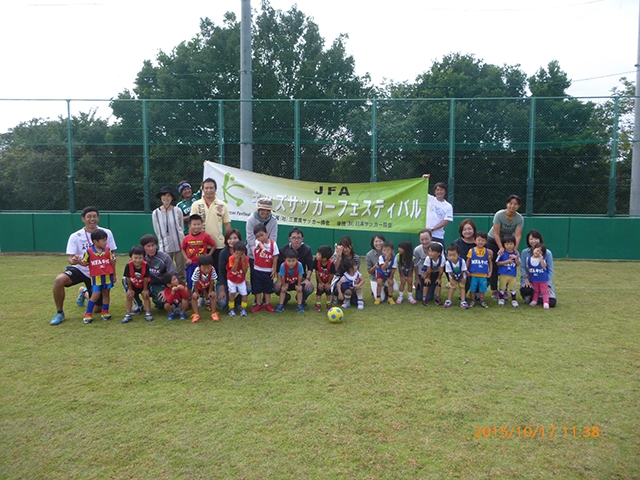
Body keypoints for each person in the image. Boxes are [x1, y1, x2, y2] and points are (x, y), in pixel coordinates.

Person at [50, 206, 117, 326]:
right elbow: (71, 258)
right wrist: (74, 260)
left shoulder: (106, 233)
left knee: (97, 309)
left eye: (94, 216)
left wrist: (113, 271)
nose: (92, 219)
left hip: (98, 273)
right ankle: (59, 313)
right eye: (89, 217)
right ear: (83, 219)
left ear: (98, 218)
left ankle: (84, 293)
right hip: (81, 269)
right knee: (59, 280)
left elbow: (111, 254)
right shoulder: (75, 236)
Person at [487, 195, 524, 298]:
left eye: (515, 204)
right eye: (510, 203)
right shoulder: (499, 215)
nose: (512, 206)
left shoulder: (519, 218)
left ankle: (505, 290)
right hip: (494, 241)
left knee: (508, 266)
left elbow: (517, 235)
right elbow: (496, 233)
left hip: (508, 242)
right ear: (507, 204)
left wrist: (514, 249)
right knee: (494, 265)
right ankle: (495, 290)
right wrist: (501, 247)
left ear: (519, 206)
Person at [191, 177, 232, 269]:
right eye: (206, 188)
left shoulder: (222, 205)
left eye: (211, 188)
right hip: (200, 245)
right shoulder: (196, 205)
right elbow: (192, 225)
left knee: (219, 270)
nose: (209, 190)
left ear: (215, 189)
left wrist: (228, 241)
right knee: (201, 272)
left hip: (218, 245)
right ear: (202, 189)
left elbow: (227, 224)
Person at [246, 197, 278, 301]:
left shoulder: (273, 221)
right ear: (258, 209)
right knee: (255, 276)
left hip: (268, 254)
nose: (265, 212)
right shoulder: (251, 219)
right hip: (253, 253)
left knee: (268, 276)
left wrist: (267, 252)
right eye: (262, 209)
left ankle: (266, 298)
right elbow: (250, 239)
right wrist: (258, 255)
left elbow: (273, 238)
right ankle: (257, 299)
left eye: (267, 210)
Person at [81, 229, 116, 324]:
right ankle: (88, 313)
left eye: (106, 240)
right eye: (103, 240)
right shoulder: (88, 252)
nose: (105, 242)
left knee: (106, 293)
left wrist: (114, 275)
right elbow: (84, 263)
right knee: (95, 295)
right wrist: (77, 261)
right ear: (95, 241)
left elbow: (112, 263)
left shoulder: (108, 250)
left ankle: (105, 311)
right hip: (96, 277)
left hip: (107, 276)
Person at [152, 186, 185, 283]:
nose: (166, 198)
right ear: (161, 198)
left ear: (172, 198)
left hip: (179, 244)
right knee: (166, 271)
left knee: (181, 270)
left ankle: (182, 291)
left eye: (168, 196)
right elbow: (157, 229)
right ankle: (168, 292)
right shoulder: (155, 213)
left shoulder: (177, 210)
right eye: (164, 196)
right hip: (165, 245)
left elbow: (181, 227)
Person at [275, 228, 315, 303]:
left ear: (302, 239)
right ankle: (285, 298)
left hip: (300, 278)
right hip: (286, 278)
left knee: (309, 288)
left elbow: (310, 266)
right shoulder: (283, 249)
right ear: (289, 239)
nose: (296, 240)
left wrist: (307, 279)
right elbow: (278, 267)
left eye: (299, 238)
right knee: (275, 287)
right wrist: (279, 280)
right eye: (294, 238)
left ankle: (301, 299)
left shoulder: (307, 249)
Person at [140, 234, 179, 310]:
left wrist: (167, 290)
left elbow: (174, 275)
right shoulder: (140, 257)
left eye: (153, 245)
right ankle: (138, 305)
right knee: (125, 280)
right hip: (143, 282)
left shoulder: (164, 257)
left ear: (157, 245)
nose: (151, 248)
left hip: (159, 284)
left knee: (162, 301)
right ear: (143, 247)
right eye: (148, 246)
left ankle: (158, 302)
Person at [520, 229, 557, 307]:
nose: (534, 241)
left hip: (543, 281)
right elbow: (523, 268)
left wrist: (548, 285)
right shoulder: (524, 252)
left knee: (552, 302)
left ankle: (539, 297)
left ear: (540, 240)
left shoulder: (548, 253)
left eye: (536, 239)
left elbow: (550, 270)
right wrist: (526, 280)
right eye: (531, 239)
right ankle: (530, 296)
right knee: (526, 289)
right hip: (532, 280)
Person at [181, 214, 215, 293]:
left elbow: (213, 245)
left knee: (203, 281)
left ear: (202, 224)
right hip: (191, 264)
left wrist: (208, 257)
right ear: (190, 225)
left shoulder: (205, 236)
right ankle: (189, 299)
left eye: (198, 224)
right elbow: (182, 249)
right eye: (194, 224)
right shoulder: (187, 238)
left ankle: (205, 299)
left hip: (202, 265)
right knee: (190, 281)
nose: (196, 226)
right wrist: (186, 259)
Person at [250, 224, 278, 313]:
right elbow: (260, 245)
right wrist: (263, 249)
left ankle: (267, 304)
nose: (260, 238)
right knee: (257, 288)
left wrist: (274, 270)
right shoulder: (257, 243)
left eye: (262, 235)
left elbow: (275, 257)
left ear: (267, 233)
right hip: (257, 270)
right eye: (257, 236)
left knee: (268, 288)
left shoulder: (273, 244)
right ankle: (258, 304)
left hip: (268, 271)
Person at [121, 246, 153, 324]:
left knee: (146, 296)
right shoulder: (128, 265)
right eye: (135, 258)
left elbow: (146, 278)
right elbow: (128, 277)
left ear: (143, 257)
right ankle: (128, 314)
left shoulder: (146, 265)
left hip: (143, 284)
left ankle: (148, 313)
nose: (138, 260)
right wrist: (130, 289)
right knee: (129, 296)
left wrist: (145, 289)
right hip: (133, 284)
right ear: (131, 257)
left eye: (140, 258)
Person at [216, 228, 245, 310]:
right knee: (223, 303)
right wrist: (222, 290)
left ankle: (237, 302)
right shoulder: (223, 253)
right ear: (226, 240)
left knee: (249, 288)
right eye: (229, 239)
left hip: (238, 279)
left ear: (239, 239)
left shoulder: (243, 251)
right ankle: (224, 299)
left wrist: (243, 280)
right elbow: (221, 272)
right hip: (225, 281)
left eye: (235, 238)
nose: (232, 241)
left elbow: (244, 269)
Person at [330, 236, 361, 306]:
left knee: (355, 302)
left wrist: (357, 281)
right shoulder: (337, 255)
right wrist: (339, 256)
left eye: (347, 247)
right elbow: (334, 269)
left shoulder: (356, 258)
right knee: (342, 286)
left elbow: (357, 272)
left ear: (351, 246)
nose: (345, 250)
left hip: (351, 279)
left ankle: (347, 296)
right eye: (343, 247)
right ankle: (338, 294)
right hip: (340, 279)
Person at [413, 228, 441, 302]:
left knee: (429, 298)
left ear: (431, 238)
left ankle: (434, 286)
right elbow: (415, 264)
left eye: (426, 239)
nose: (424, 242)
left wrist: (428, 272)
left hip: (434, 272)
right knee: (419, 297)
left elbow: (441, 263)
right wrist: (417, 279)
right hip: (422, 273)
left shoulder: (438, 246)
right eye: (422, 239)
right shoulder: (417, 250)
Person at [365, 233, 395, 301]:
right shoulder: (369, 255)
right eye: (376, 241)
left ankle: (386, 290)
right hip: (376, 278)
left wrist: (390, 277)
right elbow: (369, 271)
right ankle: (374, 290)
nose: (378, 243)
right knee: (381, 299)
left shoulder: (390, 253)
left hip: (387, 276)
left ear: (384, 242)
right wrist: (375, 266)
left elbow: (393, 267)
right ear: (373, 243)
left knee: (395, 287)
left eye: (380, 241)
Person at [466, 231, 492, 308]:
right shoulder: (472, 250)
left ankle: (482, 301)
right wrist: (466, 270)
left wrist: (490, 271)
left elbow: (490, 262)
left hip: (483, 275)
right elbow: (468, 260)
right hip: (473, 274)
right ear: (475, 240)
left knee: (482, 289)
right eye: (479, 240)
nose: (481, 242)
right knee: (473, 288)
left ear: (486, 241)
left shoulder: (487, 251)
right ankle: (472, 300)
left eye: (483, 240)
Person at [190, 254, 219, 322]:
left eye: (208, 267)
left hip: (208, 285)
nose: (206, 270)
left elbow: (212, 281)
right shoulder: (197, 270)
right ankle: (196, 314)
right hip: (198, 285)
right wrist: (196, 292)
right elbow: (195, 282)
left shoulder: (212, 270)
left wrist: (210, 291)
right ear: (200, 266)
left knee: (213, 295)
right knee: (194, 297)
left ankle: (214, 313)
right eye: (204, 268)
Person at [276, 248, 305, 313]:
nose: (291, 263)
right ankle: (281, 304)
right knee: (282, 290)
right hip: (286, 282)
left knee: (300, 290)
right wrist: (283, 285)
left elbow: (300, 275)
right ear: (285, 260)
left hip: (296, 281)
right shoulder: (283, 265)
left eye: (293, 261)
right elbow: (282, 276)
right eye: (289, 261)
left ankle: (300, 305)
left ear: (297, 260)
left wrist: (299, 285)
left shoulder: (299, 265)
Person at [453, 219, 477, 298]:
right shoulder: (457, 243)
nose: (467, 231)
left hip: (476, 270)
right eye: (464, 229)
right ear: (461, 231)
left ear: (474, 229)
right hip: (462, 270)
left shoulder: (479, 242)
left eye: (469, 229)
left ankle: (476, 292)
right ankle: (463, 292)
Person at [495, 234, 521, 308]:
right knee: (502, 287)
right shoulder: (502, 253)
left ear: (514, 244)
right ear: (504, 245)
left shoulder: (516, 253)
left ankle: (514, 300)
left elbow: (518, 264)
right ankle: (501, 299)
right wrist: (506, 261)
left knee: (513, 287)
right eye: (507, 244)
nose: (509, 246)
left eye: (511, 244)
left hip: (512, 274)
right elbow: (497, 263)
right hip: (503, 274)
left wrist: (516, 258)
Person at [226, 241, 250, 317]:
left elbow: (245, 270)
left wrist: (243, 262)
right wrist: (236, 260)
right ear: (233, 251)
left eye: (242, 253)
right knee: (232, 293)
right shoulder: (231, 258)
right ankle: (231, 308)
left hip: (241, 279)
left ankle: (243, 308)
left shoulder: (246, 259)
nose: (240, 255)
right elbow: (233, 269)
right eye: (238, 253)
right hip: (232, 279)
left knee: (244, 294)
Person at [426, 181, 454, 245]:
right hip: (426, 235)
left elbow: (445, 222)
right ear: (435, 192)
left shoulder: (448, 206)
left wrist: (432, 229)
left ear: (445, 192)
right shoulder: (430, 199)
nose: (439, 192)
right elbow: (421, 190)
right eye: (437, 190)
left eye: (441, 190)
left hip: (438, 236)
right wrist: (424, 179)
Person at [525, 243, 550, 309]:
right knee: (536, 290)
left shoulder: (542, 260)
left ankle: (546, 302)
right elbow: (528, 268)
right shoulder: (528, 259)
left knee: (544, 291)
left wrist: (541, 260)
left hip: (542, 279)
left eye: (540, 252)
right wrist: (528, 274)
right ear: (533, 249)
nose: (538, 252)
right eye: (537, 250)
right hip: (534, 279)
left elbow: (544, 266)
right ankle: (534, 300)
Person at [444, 243, 469, 309]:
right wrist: (453, 280)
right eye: (449, 255)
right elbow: (451, 272)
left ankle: (463, 301)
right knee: (452, 287)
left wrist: (462, 278)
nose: (451, 257)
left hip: (462, 275)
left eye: (454, 255)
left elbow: (463, 270)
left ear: (458, 255)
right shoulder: (447, 263)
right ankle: (449, 300)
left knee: (462, 287)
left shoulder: (462, 261)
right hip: (452, 277)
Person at [421, 242, 445, 307]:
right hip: (428, 272)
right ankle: (424, 298)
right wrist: (428, 278)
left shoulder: (442, 258)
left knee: (438, 283)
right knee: (426, 283)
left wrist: (439, 278)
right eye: (429, 251)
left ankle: (438, 298)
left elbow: (441, 270)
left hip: (436, 272)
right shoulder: (428, 259)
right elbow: (428, 270)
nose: (430, 253)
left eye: (432, 252)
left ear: (438, 253)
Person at [314, 245, 335, 312]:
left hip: (327, 280)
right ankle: (318, 304)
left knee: (328, 291)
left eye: (319, 254)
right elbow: (317, 271)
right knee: (319, 291)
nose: (317, 255)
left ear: (324, 258)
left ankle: (328, 303)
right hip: (320, 279)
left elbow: (332, 274)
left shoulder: (331, 264)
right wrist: (320, 282)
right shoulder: (316, 261)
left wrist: (328, 283)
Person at [374, 241, 397, 305]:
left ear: (392, 251)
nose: (386, 252)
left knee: (391, 283)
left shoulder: (394, 258)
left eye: (388, 250)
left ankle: (390, 297)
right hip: (381, 272)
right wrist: (386, 261)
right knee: (379, 283)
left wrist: (391, 277)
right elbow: (383, 268)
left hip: (389, 272)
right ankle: (378, 297)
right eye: (384, 250)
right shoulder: (381, 257)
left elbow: (394, 268)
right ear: (382, 251)